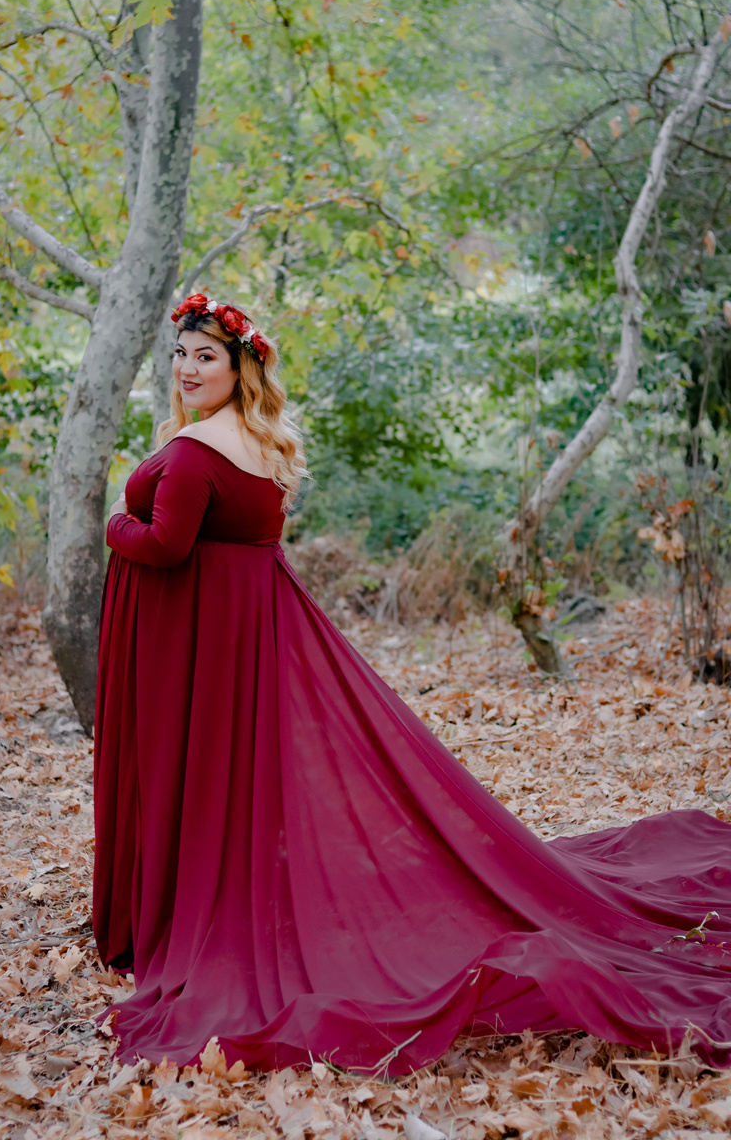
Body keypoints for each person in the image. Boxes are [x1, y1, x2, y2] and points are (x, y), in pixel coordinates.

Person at [94, 292, 731, 1074]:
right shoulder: (254, 443)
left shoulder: (197, 453)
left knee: (212, 777)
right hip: (242, 635)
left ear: (241, 366)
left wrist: (111, 526)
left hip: (212, 646)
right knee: (240, 780)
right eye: (181, 356)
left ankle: (207, 901)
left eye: (205, 357)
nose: (187, 370)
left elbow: (164, 546)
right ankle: (223, 884)